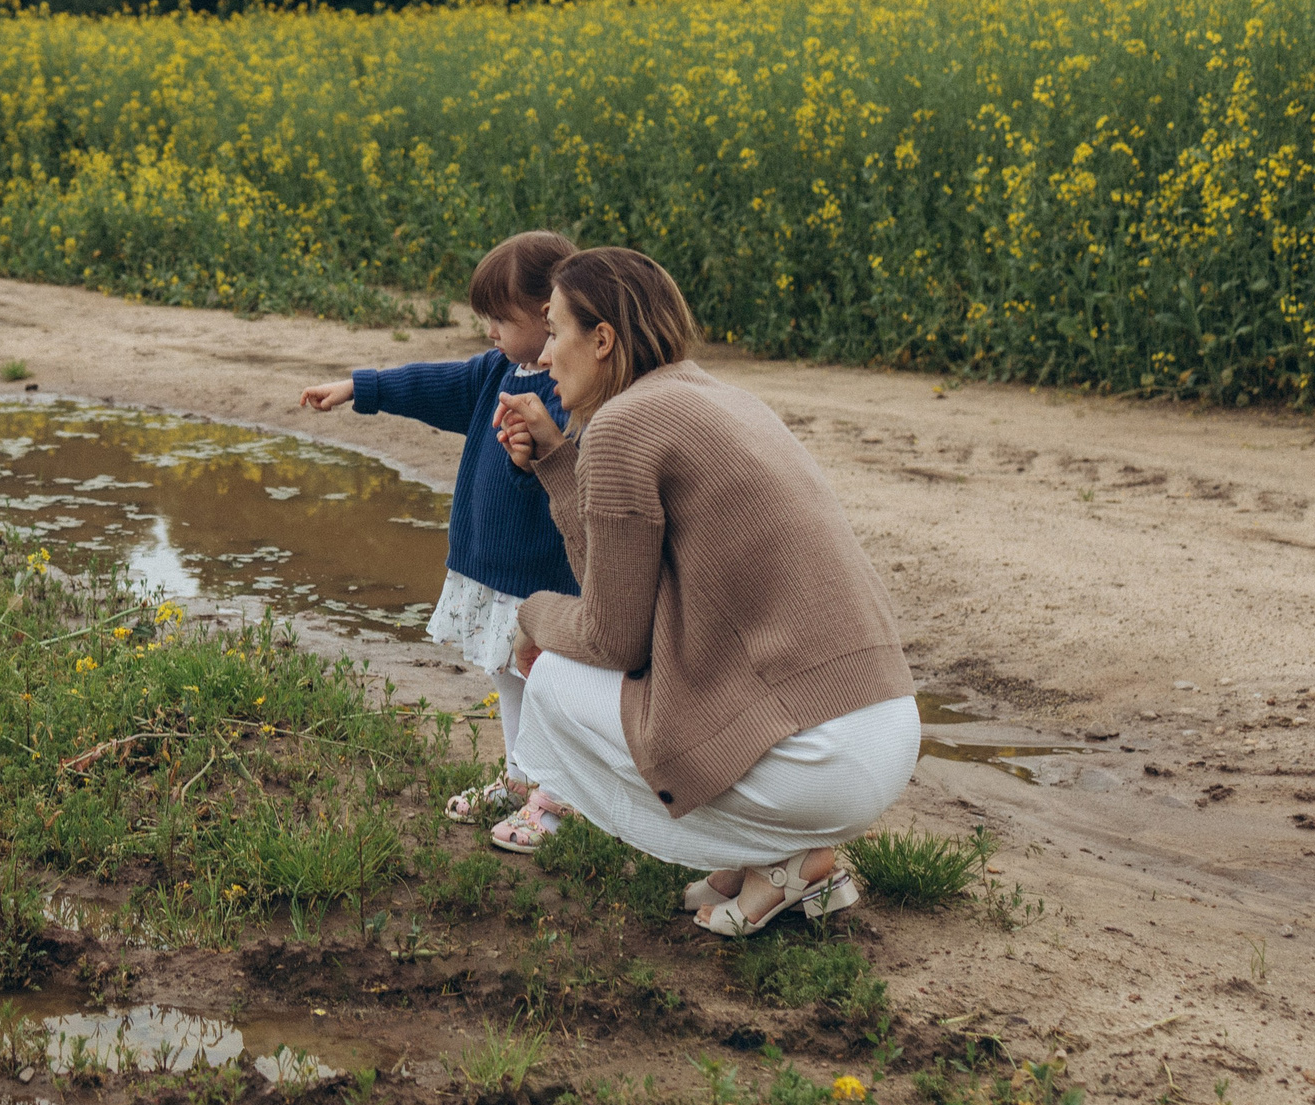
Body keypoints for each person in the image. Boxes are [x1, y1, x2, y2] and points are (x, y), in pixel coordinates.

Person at [491, 246, 919, 936]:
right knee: (645, 676)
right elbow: (620, 587)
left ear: (602, 340)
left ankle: (777, 848)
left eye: (554, 329)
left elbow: (611, 635)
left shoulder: (624, 426)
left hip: (822, 757)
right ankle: (778, 864)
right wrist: (556, 460)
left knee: (553, 681)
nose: (541, 355)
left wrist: (531, 616)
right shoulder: (720, 397)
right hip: (884, 725)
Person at [299, 232, 579, 841]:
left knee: (550, 688)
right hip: (491, 566)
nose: (489, 333)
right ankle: (518, 778)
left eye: (499, 319)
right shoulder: (497, 372)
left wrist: (542, 450)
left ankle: (557, 800)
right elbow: (433, 385)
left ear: (548, 314)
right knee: (508, 676)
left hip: (543, 578)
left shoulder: (573, 390)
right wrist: (360, 389)